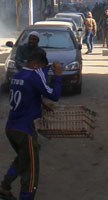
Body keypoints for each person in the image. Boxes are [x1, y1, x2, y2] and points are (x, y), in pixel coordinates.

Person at [0, 52, 63, 200]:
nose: (43, 71)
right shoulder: (35, 76)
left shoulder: (17, 75)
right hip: (25, 130)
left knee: (23, 158)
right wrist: (58, 75)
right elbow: (54, 95)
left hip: (11, 127)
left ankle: (5, 186)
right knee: (31, 171)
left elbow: (27, 93)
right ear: (35, 65)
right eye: (41, 68)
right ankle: (26, 196)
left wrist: (41, 102)